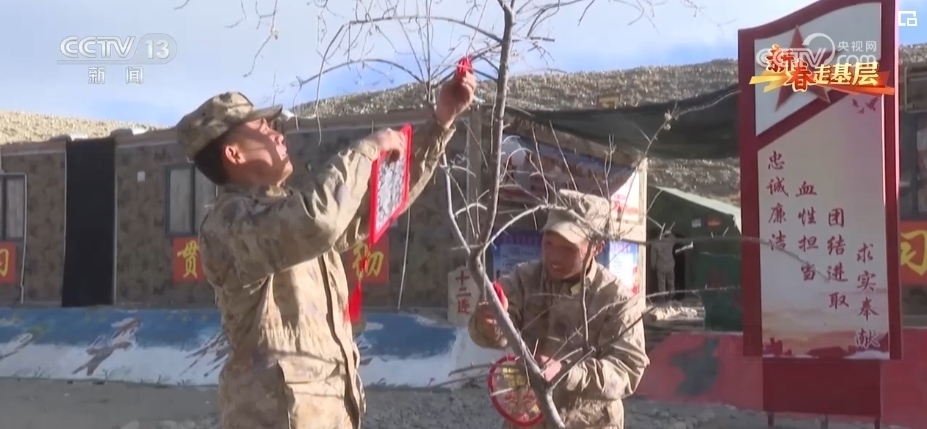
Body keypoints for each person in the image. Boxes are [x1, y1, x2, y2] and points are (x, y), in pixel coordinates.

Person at [175, 72, 475, 429]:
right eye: (262, 128)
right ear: (234, 153)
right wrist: (368, 148)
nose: (277, 134)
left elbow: (377, 203)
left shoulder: (284, 211)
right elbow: (319, 220)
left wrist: (441, 120)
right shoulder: (229, 223)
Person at [469, 189, 649, 429]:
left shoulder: (616, 300)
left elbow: (626, 371)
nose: (554, 256)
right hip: (528, 419)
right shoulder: (524, 279)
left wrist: (567, 372)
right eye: (548, 243)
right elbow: (493, 334)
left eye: (568, 249)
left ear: (596, 247)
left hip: (589, 423)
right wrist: (490, 322)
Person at [650, 230, 676, 300]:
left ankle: (662, 297)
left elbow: (653, 256)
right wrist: (669, 233)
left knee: (661, 282)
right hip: (670, 265)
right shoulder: (670, 241)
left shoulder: (655, 243)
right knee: (671, 281)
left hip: (661, 266)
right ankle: (671, 295)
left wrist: (653, 265)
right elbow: (674, 238)